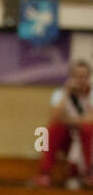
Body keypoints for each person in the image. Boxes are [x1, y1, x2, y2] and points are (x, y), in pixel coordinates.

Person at [36, 60, 93, 188]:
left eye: (83, 76)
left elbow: (91, 120)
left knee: (88, 129)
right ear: (71, 77)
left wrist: (70, 119)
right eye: (77, 76)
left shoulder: (91, 94)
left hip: (86, 138)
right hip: (66, 137)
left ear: (88, 78)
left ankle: (90, 171)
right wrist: (67, 93)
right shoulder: (60, 93)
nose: (80, 80)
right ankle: (45, 172)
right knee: (52, 129)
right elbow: (54, 117)